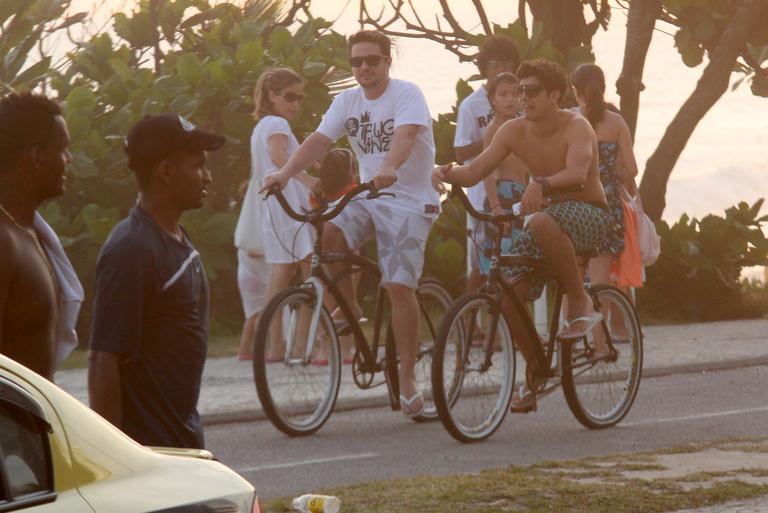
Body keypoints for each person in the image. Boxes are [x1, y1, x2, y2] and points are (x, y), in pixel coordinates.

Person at [262, 30, 441, 417]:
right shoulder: (347, 100)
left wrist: (390, 168)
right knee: (331, 230)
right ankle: (349, 306)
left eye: (371, 61)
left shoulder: (406, 94)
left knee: (397, 286)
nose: (363, 68)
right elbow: (318, 141)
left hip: (409, 201)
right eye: (356, 62)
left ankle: (407, 377)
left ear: (387, 61)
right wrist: (285, 173)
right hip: (368, 196)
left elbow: (406, 137)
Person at [434, 59, 611, 412]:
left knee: (540, 221)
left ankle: (578, 300)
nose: (522, 98)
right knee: (507, 294)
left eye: (530, 91)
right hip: (546, 218)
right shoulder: (512, 131)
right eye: (518, 92)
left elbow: (578, 173)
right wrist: (444, 171)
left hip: (590, 213)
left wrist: (541, 183)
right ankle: (536, 369)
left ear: (554, 95)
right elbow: (473, 172)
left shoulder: (577, 126)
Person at [88, 113, 225, 449]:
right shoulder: (131, 249)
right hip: (152, 452)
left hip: (184, 440)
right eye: (198, 166)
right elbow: (104, 361)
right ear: (165, 172)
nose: (207, 177)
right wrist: (115, 461)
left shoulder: (175, 237)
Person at [0, 92, 82, 381]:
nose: (68, 160)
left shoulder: (30, 232)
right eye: (62, 149)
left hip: (32, 423)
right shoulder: (5, 243)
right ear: (37, 156)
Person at [251, 68, 319, 362]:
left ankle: (275, 346)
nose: (296, 104)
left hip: (274, 206)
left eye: (300, 98)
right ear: (272, 95)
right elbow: (279, 156)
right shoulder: (277, 123)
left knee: (282, 272)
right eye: (290, 97)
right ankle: (304, 345)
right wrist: (308, 181)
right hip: (291, 204)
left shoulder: (261, 126)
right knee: (310, 272)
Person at [454, 36, 520, 290]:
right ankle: (472, 325)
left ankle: (507, 324)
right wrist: (493, 139)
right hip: (482, 193)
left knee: (515, 264)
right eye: (495, 64)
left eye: (507, 64)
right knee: (480, 266)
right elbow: (460, 153)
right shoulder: (471, 105)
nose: (502, 70)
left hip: (517, 192)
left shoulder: (520, 101)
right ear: (484, 68)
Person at [571, 63, 639, 290]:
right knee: (602, 283)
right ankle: (602, 325)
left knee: (572, 282)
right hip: (607, 203)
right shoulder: (616, 122)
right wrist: (612, 178)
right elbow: (632, 169)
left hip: (575, 201)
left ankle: (569, 325)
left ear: (575, 90)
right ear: (603, 88)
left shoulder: (569, 120)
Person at [476, 72, 529, 274]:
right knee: (502, 256)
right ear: (492, 99)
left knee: (517, 255)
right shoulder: (493, 129)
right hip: (502, 195)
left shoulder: (521, 127)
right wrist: (496, 206)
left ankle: (512, 301)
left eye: (515, 94)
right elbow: (486, 171)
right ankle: (493, 301)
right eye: (503, 94)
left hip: (521, 195)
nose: (510, 99)